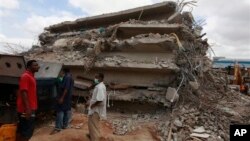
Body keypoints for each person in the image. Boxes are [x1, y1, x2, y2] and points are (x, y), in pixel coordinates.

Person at [17, 60, 40, 141]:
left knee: (24, 131)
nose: (38, 66)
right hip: (26, 109)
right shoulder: (25, 76)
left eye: (37, 65)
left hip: (29, 108)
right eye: (35, 65)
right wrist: (27, 109)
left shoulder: (31, 76)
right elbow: (23, 92)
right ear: (29, 67)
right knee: (26, 132)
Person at [51, 68, 74, 134]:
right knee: (66, 111)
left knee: (60, 111)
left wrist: (62, 98)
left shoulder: (67, 77)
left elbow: (66, 88)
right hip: (68, 98)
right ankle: (65, 125)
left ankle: (58, 127)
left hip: (63, 97)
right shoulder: (71, 78)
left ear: (63, 71)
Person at [87, 73, 107, 141]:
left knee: (94, 126)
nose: (95, 79)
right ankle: (93, 137)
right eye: (95, 77)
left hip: (96, 110)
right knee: (93, 125)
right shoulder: (99, 86)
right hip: (95, 109)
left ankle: (95, 138)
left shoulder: (100, 87)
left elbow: (100, 99)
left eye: (97, 77)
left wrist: (93, 105)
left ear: (101, 78)